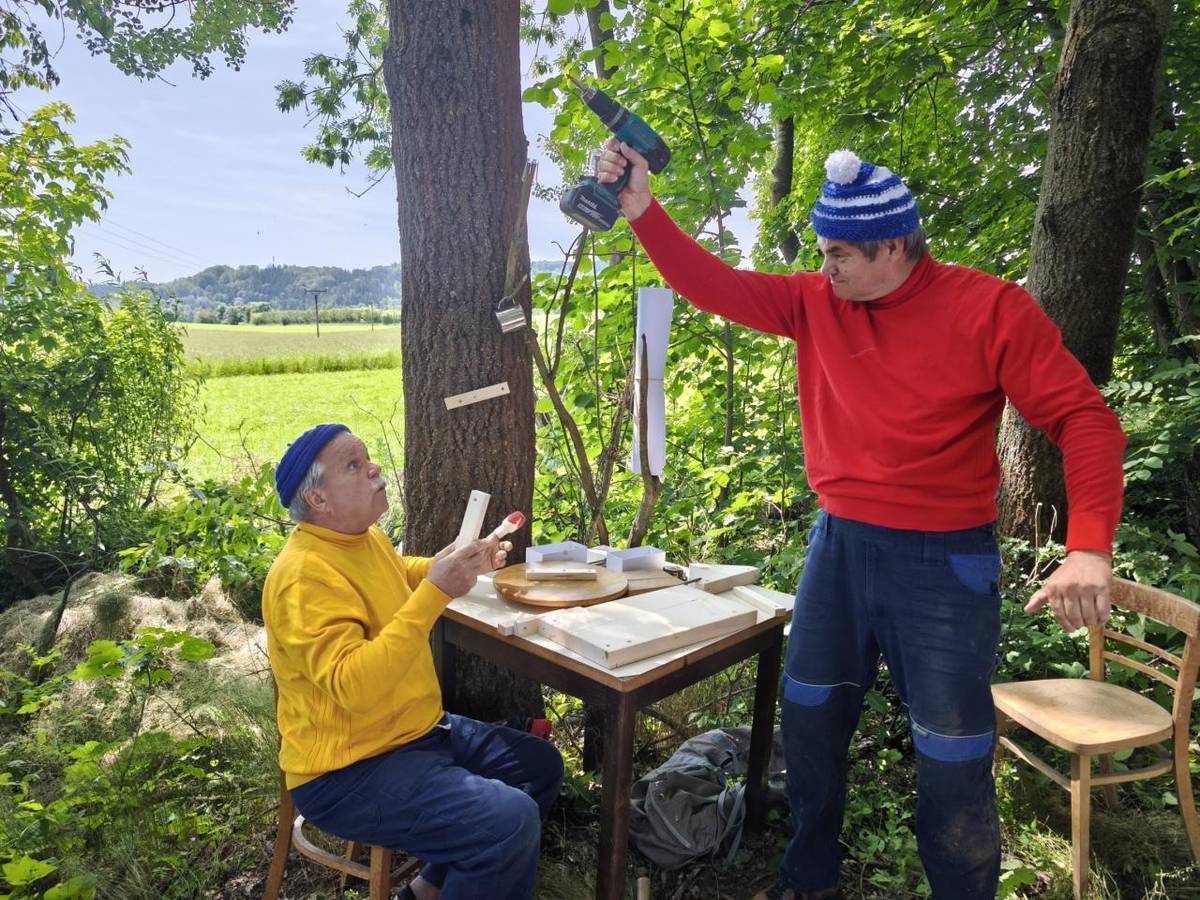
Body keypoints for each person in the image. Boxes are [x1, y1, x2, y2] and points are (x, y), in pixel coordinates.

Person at [596, 140, 1127, 899]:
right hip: (839, 546)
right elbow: (713, 284)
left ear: (892, 246)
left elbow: (1085, 420)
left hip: (946, 564)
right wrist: (642, 208)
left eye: (839, 253)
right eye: (820, 252)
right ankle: (807, 877)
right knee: (808, 720)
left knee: (952, 752)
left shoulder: (989, 308)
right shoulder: (817, 301)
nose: (825, 268)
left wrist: (1089, 550)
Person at [263, 423, 564, 900]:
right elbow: (355, 687)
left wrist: (458, 566)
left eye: (368, 459)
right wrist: (436, 592)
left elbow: (400, 575)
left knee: (539, 764)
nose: (374, 469)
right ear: (318, 500)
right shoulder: (303, 576)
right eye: (354, 466)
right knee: (507, 821)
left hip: (413, 731)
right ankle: (477, 862)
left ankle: (427, 887)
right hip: (348, 769)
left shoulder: (363, 537)